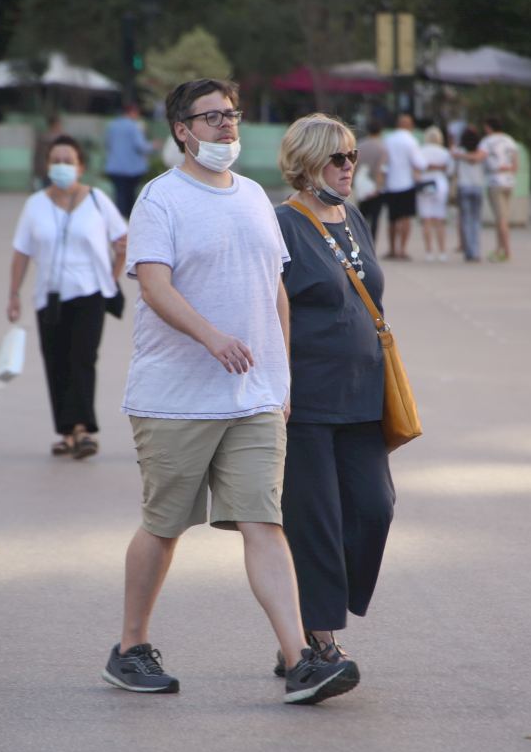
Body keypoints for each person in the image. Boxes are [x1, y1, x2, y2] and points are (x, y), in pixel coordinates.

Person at [104, 78, 359, 705]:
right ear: (182, 131)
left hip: (254, 397)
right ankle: (130, 648)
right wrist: (212, 337)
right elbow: (154, 287)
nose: (226, 125)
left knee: (265, 522)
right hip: (175, 398)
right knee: (164, 526)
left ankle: (300, 660)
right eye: (211, 116)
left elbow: (276, 291)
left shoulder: (253, 198)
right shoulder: (160, 199)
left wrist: (280, 375)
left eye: (232, 114)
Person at [273, 113, 395, 684]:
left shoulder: (355, 217)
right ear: (307, 163)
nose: (350, 167)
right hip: (307, 399)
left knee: (375, 508)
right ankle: (317, 642)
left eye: (353, 156)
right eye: (338, 158)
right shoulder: (282, 224)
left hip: (364, 395)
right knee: (315, 521)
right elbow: (266, 308)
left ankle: (305, 619)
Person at [7, 134, 126, 458]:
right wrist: (14, 294)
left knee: (82, 359)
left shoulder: (98, 200)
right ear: (47, 166)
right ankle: (66, 432)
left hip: (90, 294)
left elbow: (123, 240)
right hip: (49, 296)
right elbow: (21, 252)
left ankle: (83, 430)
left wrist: (112, 277)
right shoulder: (35, 205)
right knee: (55, 361)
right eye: (56, 161)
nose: (61, 166)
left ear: (80, 166)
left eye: (68, 161)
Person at [454, 118, 518, 262]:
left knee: (501, 219)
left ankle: (506, 251)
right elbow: (515, 166)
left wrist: (459, 155)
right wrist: (506, 169)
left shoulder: (488, 141)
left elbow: (477, 158)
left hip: (495, 182)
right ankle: (499, 248)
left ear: (489, 128)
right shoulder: (510, 141)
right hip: (509, 181)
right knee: (503, 218)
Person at [382, 114, 424, 260]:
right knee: (406, 218)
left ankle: (392, 249)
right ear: (410, 125)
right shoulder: (411, 141)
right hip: (406, 183)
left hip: (391, 183)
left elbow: (384, 162)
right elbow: (419, 163)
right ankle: (402, 249)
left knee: (392, 218)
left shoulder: (388, 139)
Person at [104, 104, 152, 217]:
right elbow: (141, 146)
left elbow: (107, 144)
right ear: (133, 112)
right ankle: (128, 219)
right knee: (130, 196)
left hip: (115, 167)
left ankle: (119, 218)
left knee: (119, 195)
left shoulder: (112, 125)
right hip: (132, 169)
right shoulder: (134, 126)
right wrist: (153, 146)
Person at [416, 125, 452, 261]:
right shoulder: (444, 152)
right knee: (439, 220)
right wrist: (439, 167)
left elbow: (419, 166)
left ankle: (429, 252)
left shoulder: (421, 151)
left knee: (426, 219)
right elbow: (450, 170)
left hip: (425, 183)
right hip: (440, 183)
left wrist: (428, 167)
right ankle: (442, 252)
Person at [454, 128, 485, 262]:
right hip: (477, 186)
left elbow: (452, 169)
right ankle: (475, 250)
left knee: (466, 220)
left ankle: (469, 251)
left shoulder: (459, 152)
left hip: (464, 186)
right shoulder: (481, 151)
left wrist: (460, 156)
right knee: (476, 220)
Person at [355, 119, 388, 243]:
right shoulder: (382, 148)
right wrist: (378, 187)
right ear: (380, 131)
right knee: (375, 218)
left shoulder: (360, 145)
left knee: (361, 217)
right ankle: (371, 244)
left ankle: (360, 243)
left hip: (362, 185)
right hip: (375, 186)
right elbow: (381, 169)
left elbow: (355, 166)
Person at [32, 114, 63, 191]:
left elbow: (37, 157)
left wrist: (36, 171)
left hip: (46, 171)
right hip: (54, 172)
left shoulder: (42, 138)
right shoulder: (62, 139)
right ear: (55, 124)